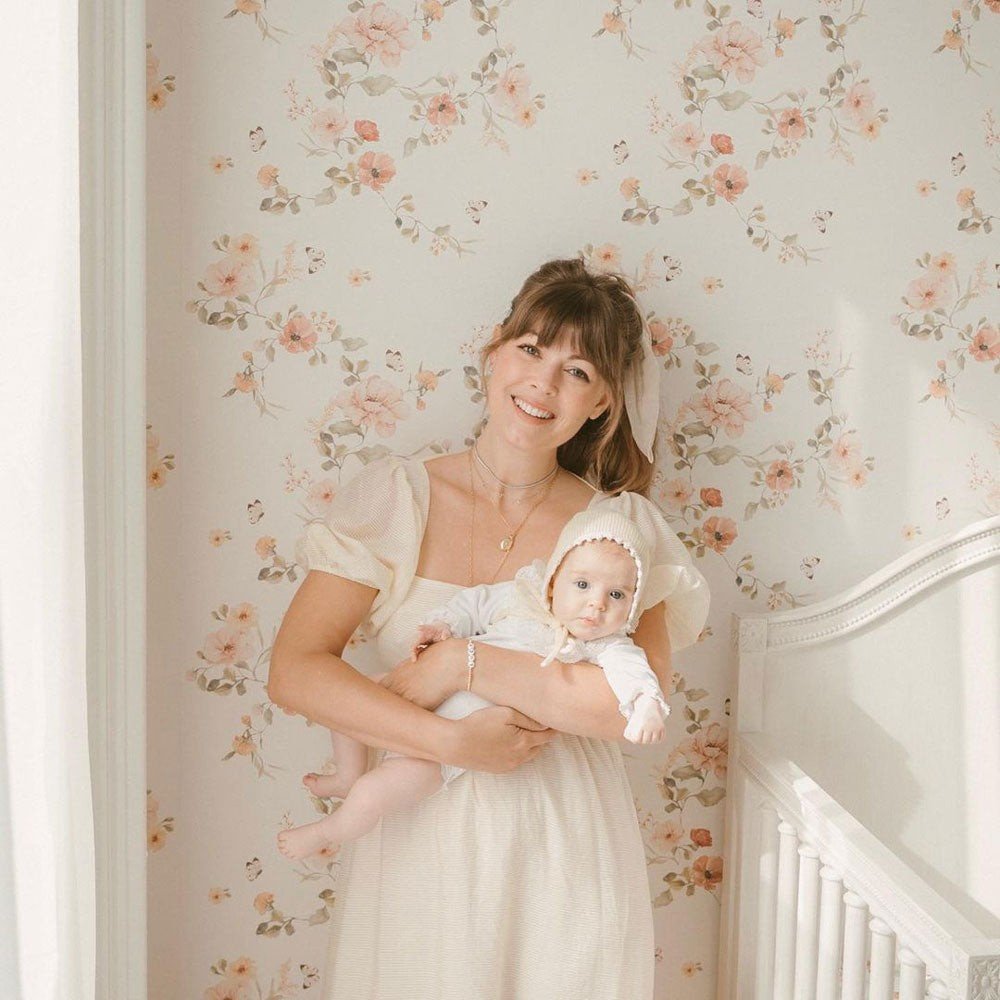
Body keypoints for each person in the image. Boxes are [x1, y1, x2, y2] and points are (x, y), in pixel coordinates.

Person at [267, 258, 710, 1000]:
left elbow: (623, 705)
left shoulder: (619, 530)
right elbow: (297, 671)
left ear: (602, 403)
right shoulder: (396, 497)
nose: (543, 383)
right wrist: (449, 741)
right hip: (416, 845)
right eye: (532, 350)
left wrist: (458, 666)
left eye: (578, 371)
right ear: (494, 354)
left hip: (564, 849)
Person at [276, 507, 672, 861]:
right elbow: (474, 605)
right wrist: (443, 626)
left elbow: (633, 674)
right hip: (416, 708)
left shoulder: (604, 646)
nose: (597, 604)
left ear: (631, 607)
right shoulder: (521, 599)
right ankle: (347, 772)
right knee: (351, 699)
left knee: (373, 795)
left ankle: (331, 830)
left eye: (616, 595)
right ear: (553, 581)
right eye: (582, 585)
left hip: (444, 757)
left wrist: (647, 704)